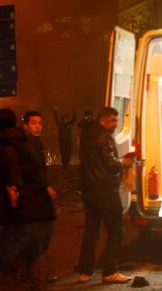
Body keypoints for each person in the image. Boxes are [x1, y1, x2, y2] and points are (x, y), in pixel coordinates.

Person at [0, 108, 56, 290]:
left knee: (12, 242)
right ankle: (25, 273)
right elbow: (22, 168)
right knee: (29, 238)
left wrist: (13, 187)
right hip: (35, 204)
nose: (38, 127)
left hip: (28, 204)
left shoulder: (10, 144)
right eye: (34, 123)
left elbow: (14, 166)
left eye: (40, 123)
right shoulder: (21, 142)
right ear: (21, 124)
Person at [78, 107, 134, 283]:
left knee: (91, 232)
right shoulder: (103, 137)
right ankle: (110, 271)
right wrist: (123, 162)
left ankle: (85, 272)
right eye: (112, 120)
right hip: (105, 191)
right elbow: (110, 164)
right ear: (102, 121)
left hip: (90, 191)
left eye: (116, 121)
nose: (115, 124)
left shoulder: (87, 135)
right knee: (116, 231)